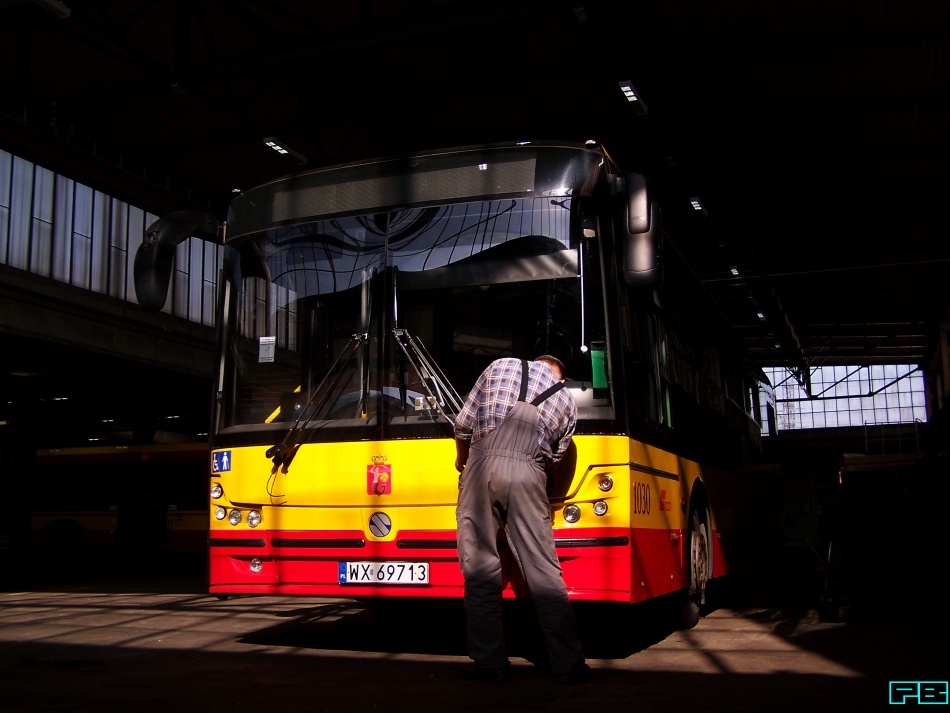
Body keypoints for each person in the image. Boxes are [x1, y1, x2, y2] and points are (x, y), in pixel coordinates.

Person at [453, 355, 590, 684]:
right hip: (531, 474)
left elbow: (462, 425)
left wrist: (463, 462)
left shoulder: (499, 366)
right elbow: (553, 460)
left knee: (480, 568)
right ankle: (568, 665)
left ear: (535, 362)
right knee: (544, 571)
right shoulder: (566, 402)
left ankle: (490, 664)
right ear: (558, 374)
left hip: (482, 467)